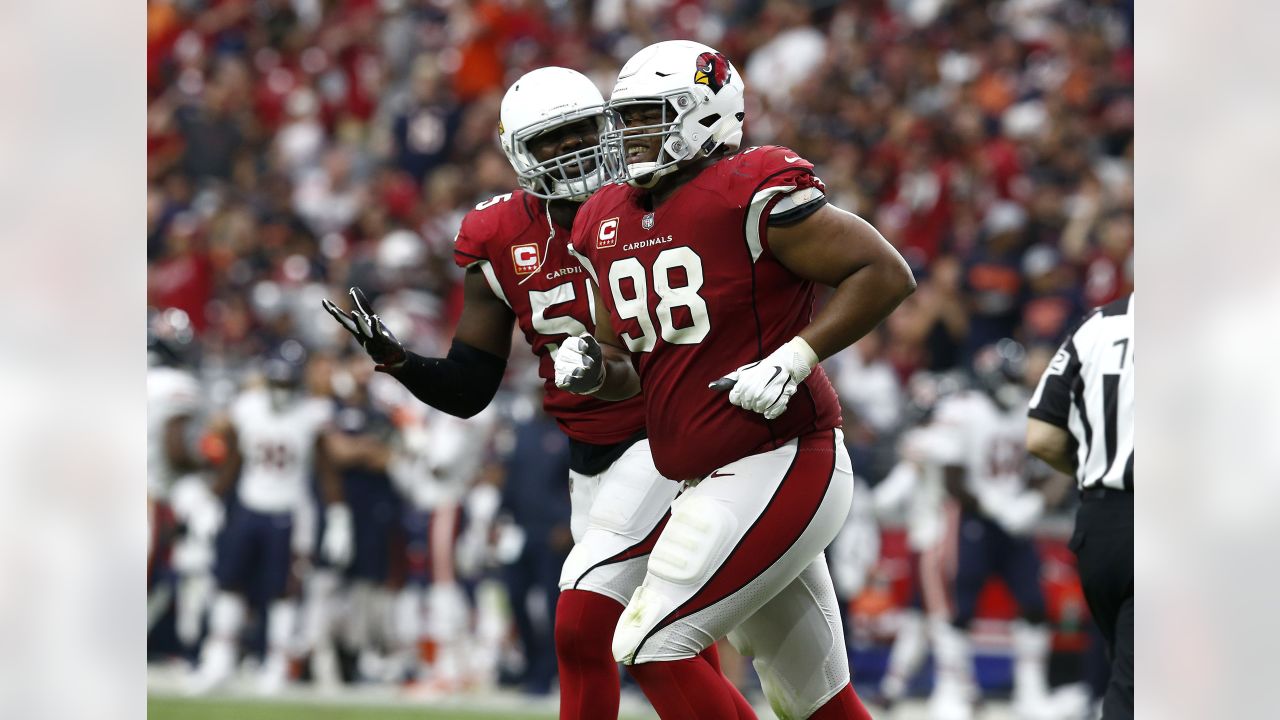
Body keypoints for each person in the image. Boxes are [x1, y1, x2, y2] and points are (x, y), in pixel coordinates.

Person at [324, 66, 750, 719]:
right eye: (552, 138)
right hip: (589, 457)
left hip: (667, 436)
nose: (572, 148)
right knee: (663, 636)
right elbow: (471, 387)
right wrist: (397, 359)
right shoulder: (497, 237)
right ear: (520, 151)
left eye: (582, 129)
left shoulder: (654, 200)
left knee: (587, 627)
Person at [554, 40, 915, 720]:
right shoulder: (604, 219)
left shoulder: (746, 189)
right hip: (710, 475)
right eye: (626, 119)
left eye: (652, 116)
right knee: (815, 703)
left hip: (780, 457)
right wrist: (595, 367)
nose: (633, 134)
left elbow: (885, 272)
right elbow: (629, 367)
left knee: (655, 641)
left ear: (709, 115)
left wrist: (795, 357)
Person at [190, 345, 352, 695]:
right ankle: (219, 659)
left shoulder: (312, 414)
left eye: (287, 383)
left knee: (282, 591)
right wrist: (212, 499)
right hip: (249, 506)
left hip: (289, 513)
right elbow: (234, 459)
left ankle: (277, 664)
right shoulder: (249, 408)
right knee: (229, 583)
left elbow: (326, 471)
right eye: (276, 382)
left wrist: (339, 517)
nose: (280, 390)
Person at [909, 340, 1057, 720]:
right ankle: (953, 691)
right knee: (961, 609)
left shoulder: (1027, 410)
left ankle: (1030, 693)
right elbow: (952, 477)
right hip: (974, 521)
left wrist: (1034, 503)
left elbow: (1047, 470)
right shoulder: (964, 411)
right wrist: (993, 505)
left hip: (1015, 523)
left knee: (1034, 605)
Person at [1027, 293, 1134, 719]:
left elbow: (1041, 438)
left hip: (1100, 524)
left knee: (1130, 671)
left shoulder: (1096, 326)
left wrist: (1097, 470)